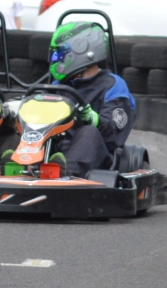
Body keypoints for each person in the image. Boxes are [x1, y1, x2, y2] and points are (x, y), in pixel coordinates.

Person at [45, 21, 136, 178]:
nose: (55, 58)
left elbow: (114, 134)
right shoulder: (57, 86)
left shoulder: (113, 85)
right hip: (53, 148)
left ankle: (65, 173)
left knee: (89, 132)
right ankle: (10, 168)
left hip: (94, 154)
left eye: (60, 54)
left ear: (82, 50)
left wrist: (93, 119)